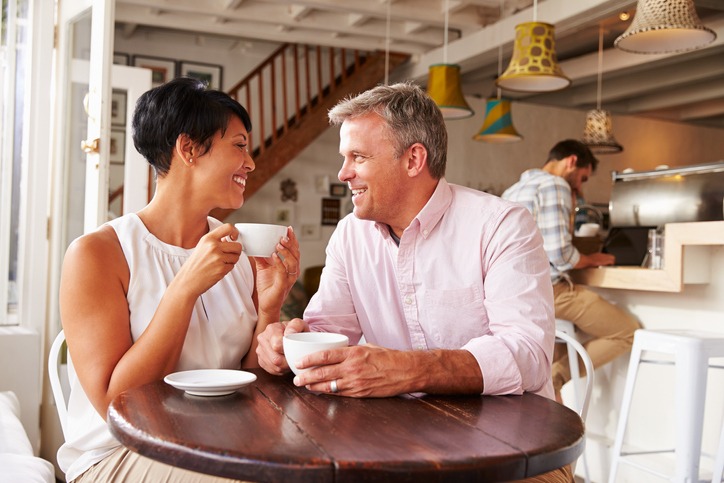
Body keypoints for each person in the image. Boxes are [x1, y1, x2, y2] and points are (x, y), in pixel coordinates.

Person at [257, 82, 571, 483]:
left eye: (358, 157)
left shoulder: (502, 225)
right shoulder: (350, 234)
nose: (343, 173)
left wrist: (407, 369)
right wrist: (289, 343)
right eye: (344, 157)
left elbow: (527, 356)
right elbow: (328, 331)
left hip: (515, 453)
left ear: (413, 159)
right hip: (400, 443)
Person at [57, 77, 300, 482]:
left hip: (222, 441)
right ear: (188, 148)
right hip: (120, 451)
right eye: (239, 146)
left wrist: (270, 306)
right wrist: (184, 289)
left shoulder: (236, 251)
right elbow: (116, 405)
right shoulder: (97, 254)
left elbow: (251, 386)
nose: (251, 162)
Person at [501, 139, 640, 401]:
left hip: (516, 295)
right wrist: (594, 259)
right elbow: (561, 255)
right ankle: (556, 376)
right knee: (627, 331)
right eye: (583, 178)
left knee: (551, 348)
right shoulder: (555, 184)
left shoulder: (513, 190)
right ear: (572, 161)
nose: (580, 185)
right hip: (549, 291)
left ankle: (549, 395)